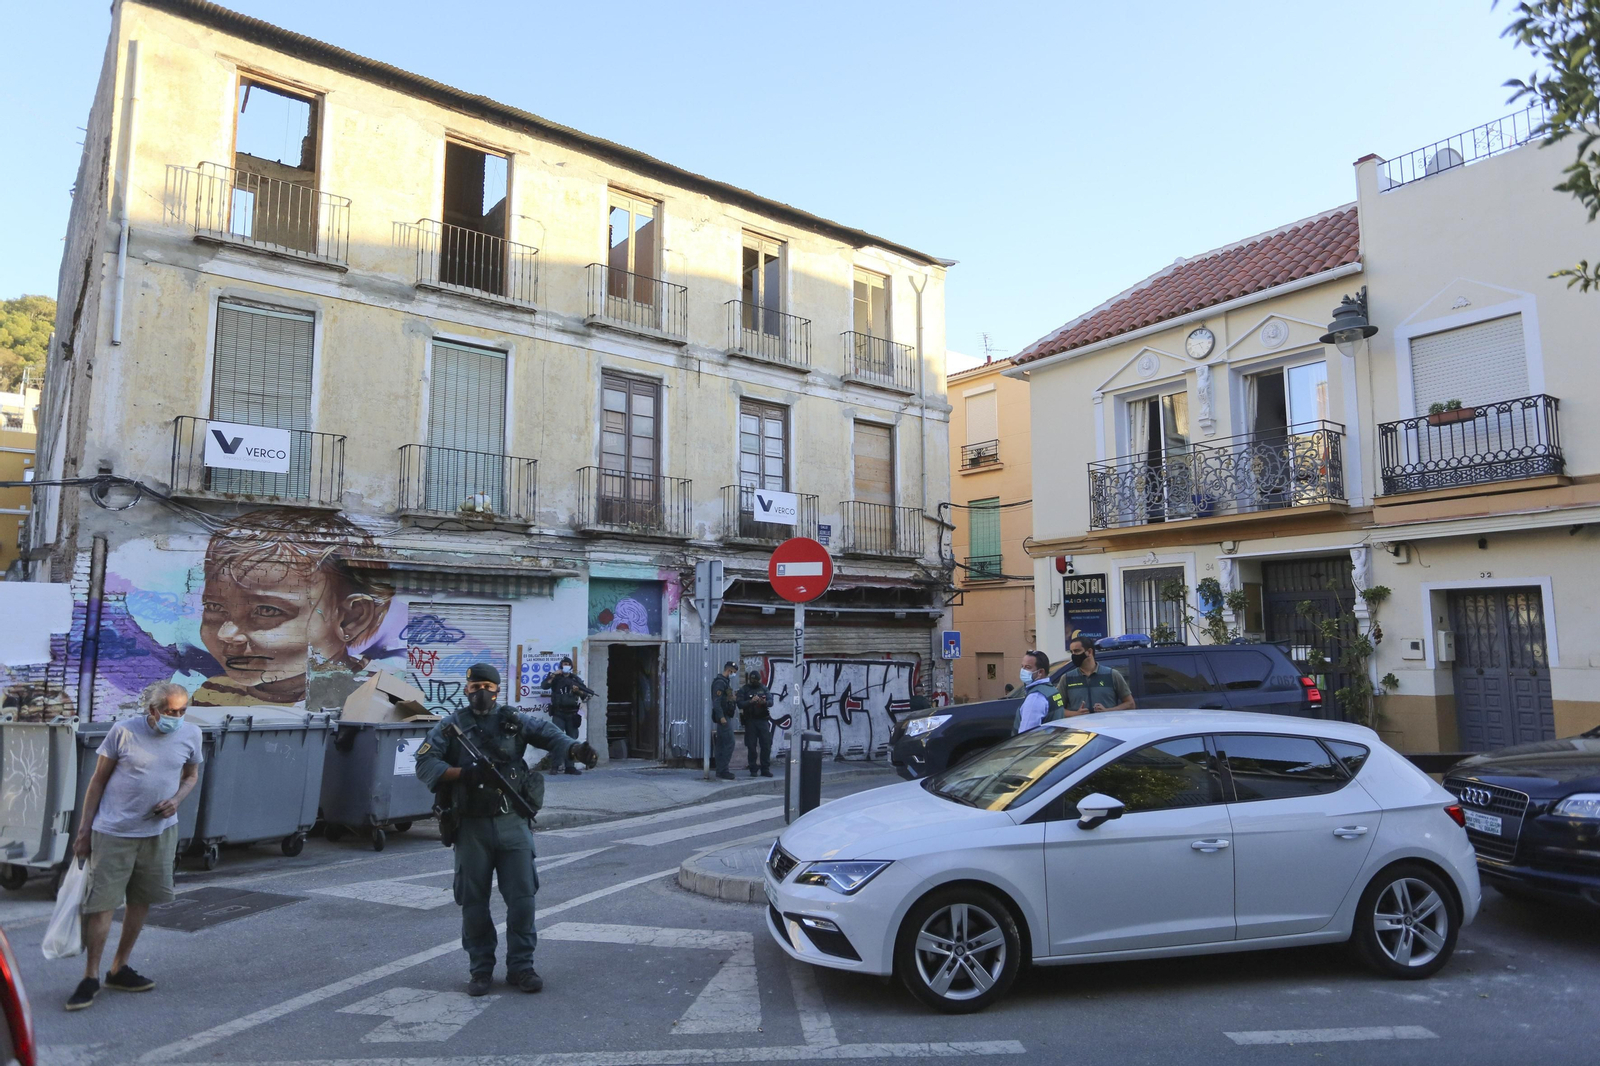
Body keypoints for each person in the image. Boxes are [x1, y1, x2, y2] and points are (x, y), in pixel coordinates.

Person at [415, 663, 599, 997]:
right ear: (466, 689)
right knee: (473, 902)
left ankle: (521, 967)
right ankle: (481, 969)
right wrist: (462, 774)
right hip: (470, 826)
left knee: (522, 898)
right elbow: (425, 763)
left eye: (487, 686)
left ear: (498, 689)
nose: (481, 692)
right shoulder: (451, 726)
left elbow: (548, 734)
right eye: (475, 686)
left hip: (512, 821)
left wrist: (574, 749)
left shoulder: (514, 721)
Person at [66, 682, 203, 1011]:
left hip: (159, 833)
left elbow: (191, 776)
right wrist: (84, 831)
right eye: (172, 711)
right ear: (153, 710)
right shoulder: (123, 731)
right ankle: (90, 976)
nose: (178, 717)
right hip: (113, 832)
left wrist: (176, 801)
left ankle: (119, 968)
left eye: (183, 710)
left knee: (141, 901)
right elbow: (97, 780)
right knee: (102, 905)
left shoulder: (191, 734)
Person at [194, 511, 394, 706]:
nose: (226, 634)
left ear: (350, 619)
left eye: (267, 611)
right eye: (213, 607)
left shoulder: (379, 695)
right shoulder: (214, 692)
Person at [1054, 632, 1135, 716]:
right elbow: (1056, 710)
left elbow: (1130, 704)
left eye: (1077, 651)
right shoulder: (1067, 678)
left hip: (1106, 727)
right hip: (1078, 727)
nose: (1074, 655)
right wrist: (1075, 714)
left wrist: (1108, 710)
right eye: (1072, 652)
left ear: (1089, 652)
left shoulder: (1112, 675)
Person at [539, 657, 594, 775]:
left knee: (572, 741)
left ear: (571, 666)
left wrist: (577, 691)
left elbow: (585, 695)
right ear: (560, 666)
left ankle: (570, 766)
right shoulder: (555, 678)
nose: (566, 666)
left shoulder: (575, 679)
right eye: (564, 664)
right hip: (558, 713)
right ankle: (555, 766)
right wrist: (553, 674)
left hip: (572, 714)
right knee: (557, 739)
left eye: (568, 664)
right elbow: (544, 686)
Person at [1012, 651, 1066, 734]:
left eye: (1028, 667)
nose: (1023, 671)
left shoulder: (1036, 697)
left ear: (1040, 672)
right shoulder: (1051, 690)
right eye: (1022, 667)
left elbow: (1026, 735)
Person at [736, 671, 773, 778]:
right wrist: (750, 701)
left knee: (766, 745)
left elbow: (771, 701)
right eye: (753, 680)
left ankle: (765, 768)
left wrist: (764, 702)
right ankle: (753, 769)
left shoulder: (764, 688)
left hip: (762, 720)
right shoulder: (744, 689)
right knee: (751, 746)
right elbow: (739, 704)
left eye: (756, 680)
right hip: (750, 721)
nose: (755, 682)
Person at [710, 661, 738, 781]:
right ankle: (723, 770)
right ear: (729, 671)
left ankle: (720, 770)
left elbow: (725, 699)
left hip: (725, 716)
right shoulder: (720, 683)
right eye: (734, 672)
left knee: (721, 744)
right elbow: (716, 702)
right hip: (723, 718)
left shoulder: (725, 682)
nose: (734, 675)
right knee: (730, 742)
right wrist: (721, 717)